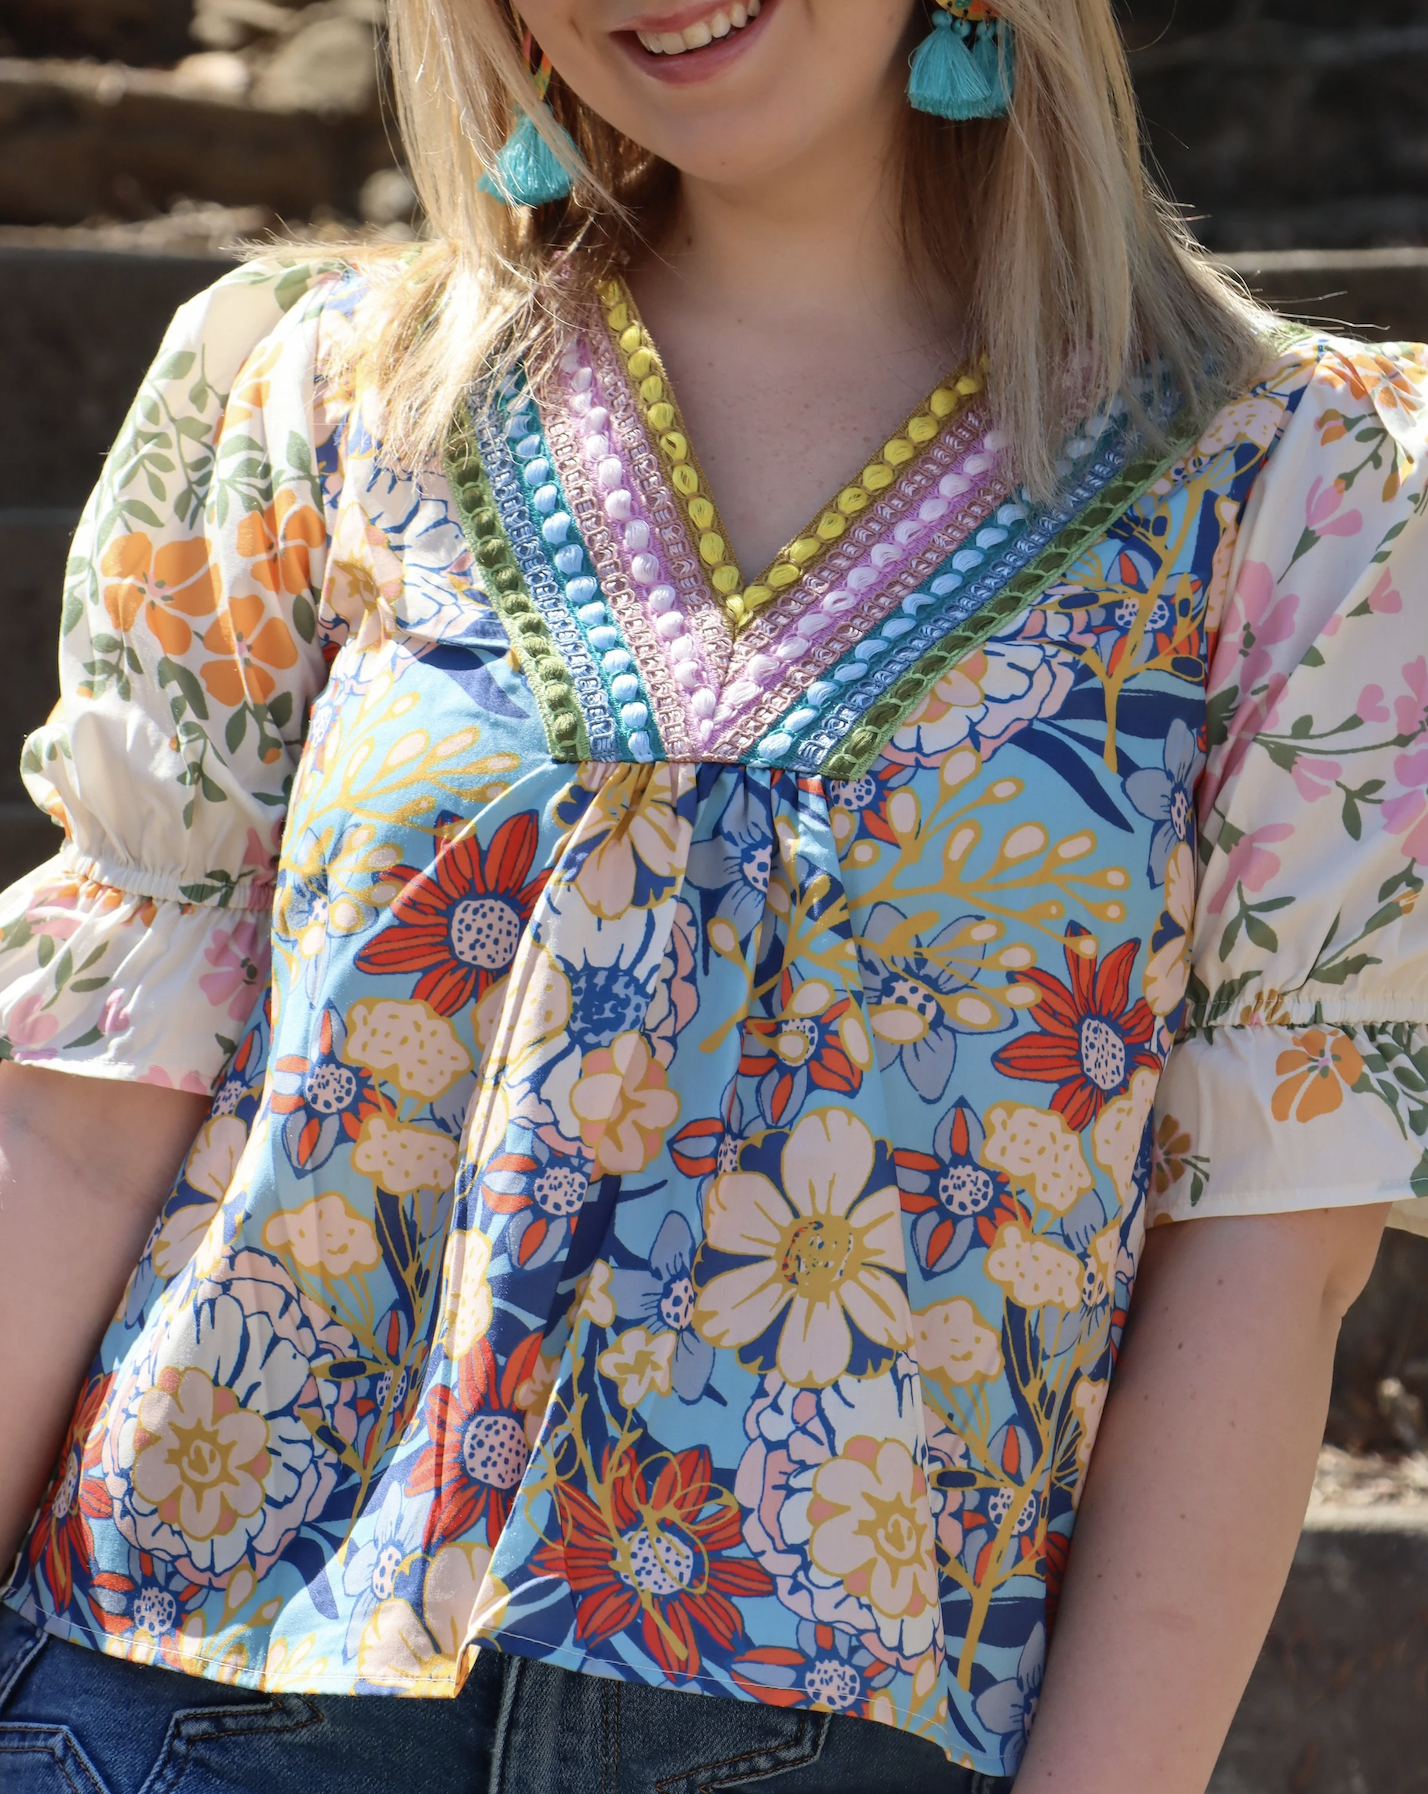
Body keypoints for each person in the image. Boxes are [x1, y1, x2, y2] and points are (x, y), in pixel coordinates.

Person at [0, 1, 1424, 1788]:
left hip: (837, 1730)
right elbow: (73, 1124)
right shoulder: (304, 391)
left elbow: (1271, 1262)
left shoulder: (1303, 488)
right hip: (169, 1689)